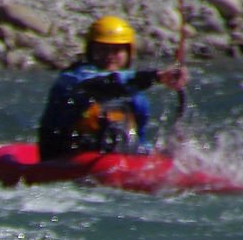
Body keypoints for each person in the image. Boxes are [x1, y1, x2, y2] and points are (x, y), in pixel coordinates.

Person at [36, 16, 188, 159]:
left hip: (108, 159)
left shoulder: (135, 96)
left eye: (116, 50)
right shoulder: (73, 78)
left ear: (128, 53)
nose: (109, 55)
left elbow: (136, 139)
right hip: (63, 156)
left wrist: (154, 153)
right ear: (90, 50)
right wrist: (157, 76)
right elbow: (105, 84)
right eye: (102, 49)